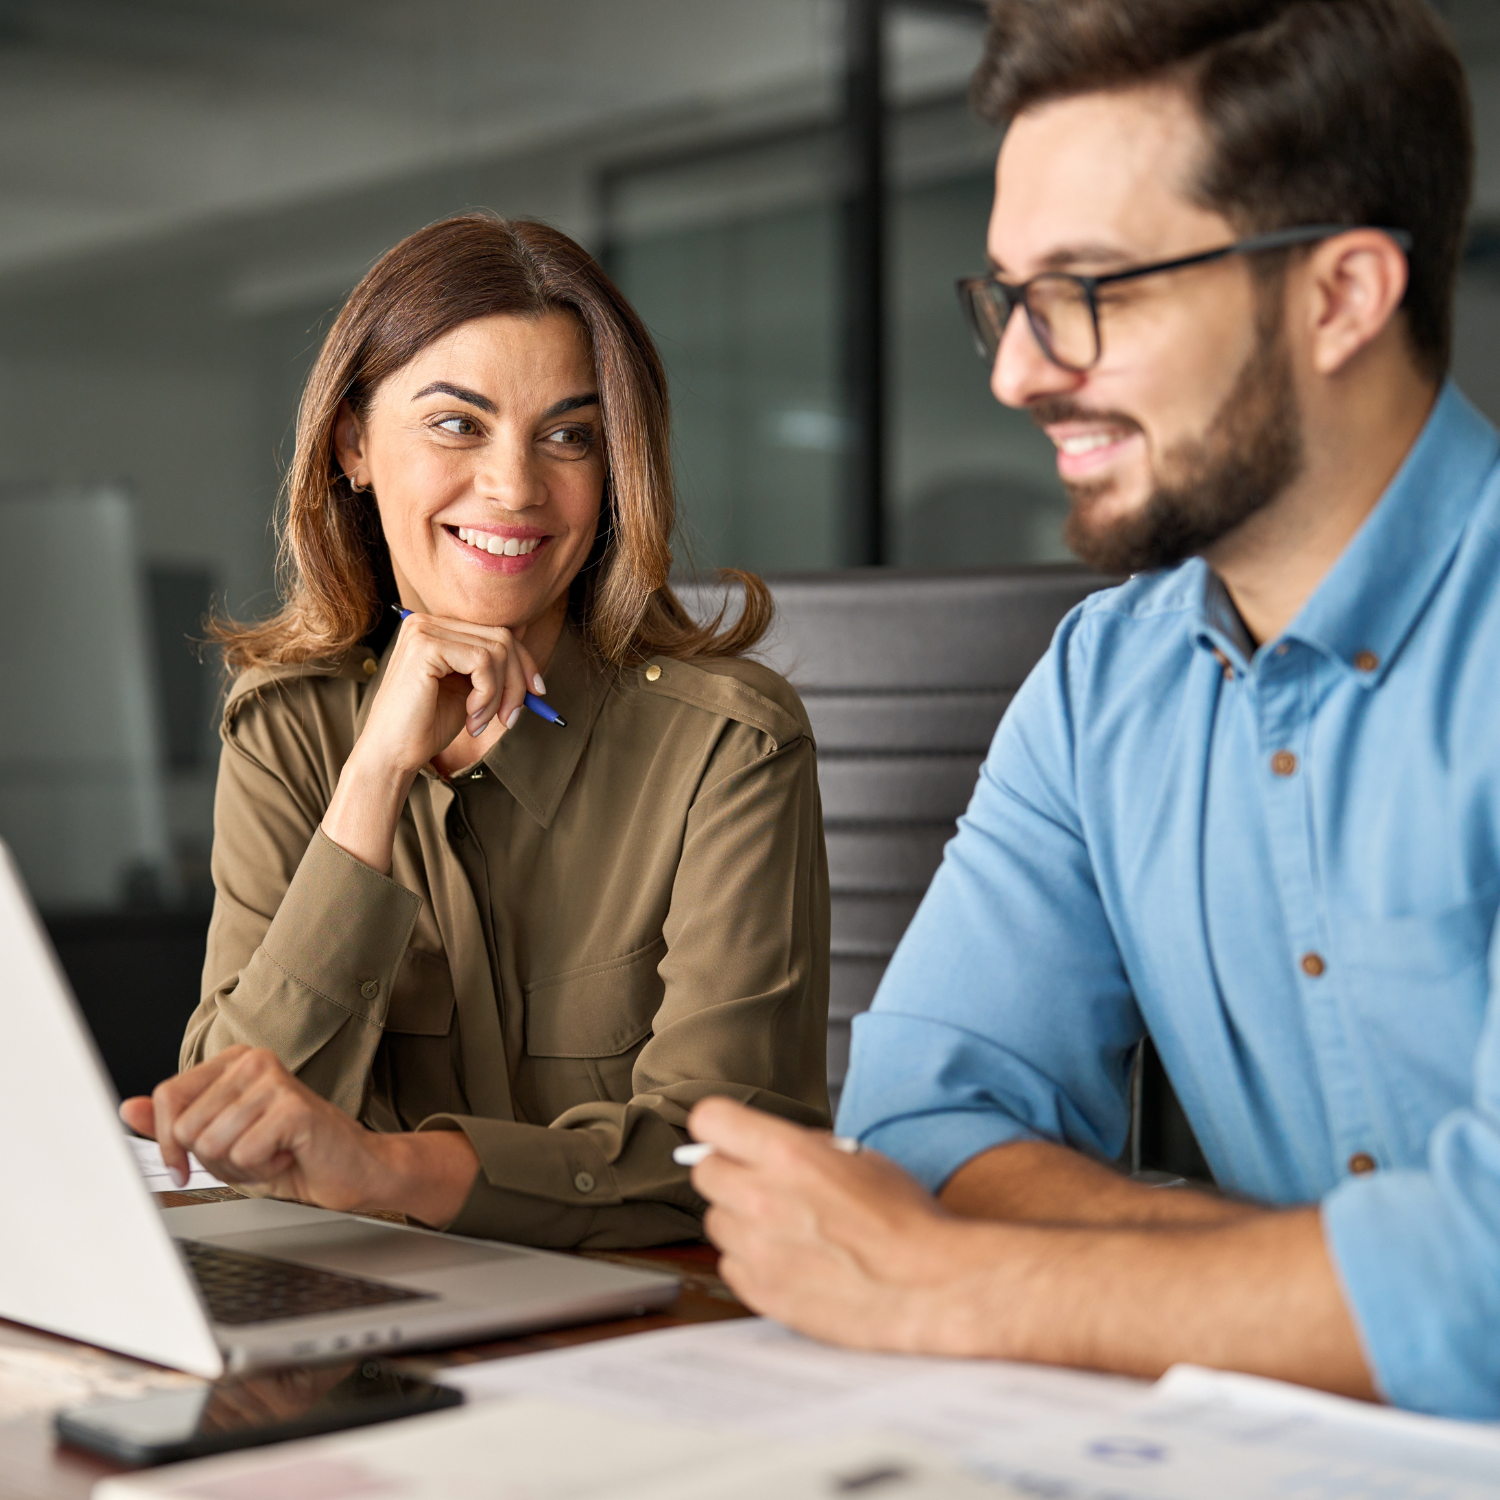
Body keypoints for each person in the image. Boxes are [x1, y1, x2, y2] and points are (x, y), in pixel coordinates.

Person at [684, 0, 1500, 1419]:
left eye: (1092, 292)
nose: (1015, 371)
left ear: (1340, 297)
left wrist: (952, 1282)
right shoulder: (1100, 681)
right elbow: (926, 1122)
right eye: (1009, 297)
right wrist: (1330, 1285)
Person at [120, 213, 830, 1248]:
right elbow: (236, 1127)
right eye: (458, 424)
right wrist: (373, 779)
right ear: (353, 443)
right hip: (359, 1309)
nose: (514, 487)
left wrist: (387, 1168)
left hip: (650, 1319)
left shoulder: (727, 747)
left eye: (569, 435)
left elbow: (715, 1152)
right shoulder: (287, 728)